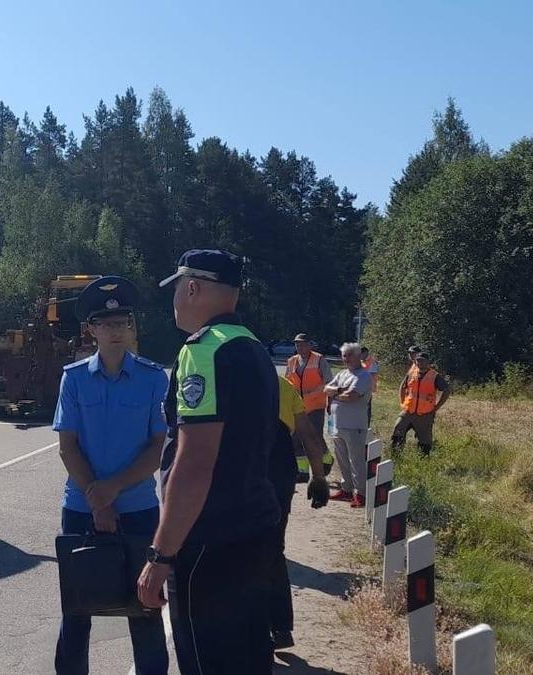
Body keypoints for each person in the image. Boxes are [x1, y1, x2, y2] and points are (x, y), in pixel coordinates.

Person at [138, 249, 279, 674]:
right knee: (249, 658)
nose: (175, 300)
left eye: (177, 289)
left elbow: (194, 461)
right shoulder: (252, 346)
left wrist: (160, 557)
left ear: (193, 286)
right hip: (255, 529)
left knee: (207, 662)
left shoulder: (202, 352)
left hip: (210, 542)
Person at [52, 276, 169, 675]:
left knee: (145, 606)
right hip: (81, 510)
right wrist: (94, 496)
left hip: (137, 511)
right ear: (92, 330)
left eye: (124, 322)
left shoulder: (154, 379)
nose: (117, 331)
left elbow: (158, 447)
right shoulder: (74, 378)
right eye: (107, 323)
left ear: (132, 327)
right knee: (77, 610)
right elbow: (68, 445)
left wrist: (110, 492)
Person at [270, 376, 330, 650]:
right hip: (280, 468)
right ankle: (281, 627)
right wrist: (318, 477)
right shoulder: (282, 384)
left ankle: (253, 629)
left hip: (247, 468)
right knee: (273, 550)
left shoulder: (225, 378)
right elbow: (307, 434)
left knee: (242, 550)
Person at [323, 343, 372, 507]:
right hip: (338, 424)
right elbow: (326, 388)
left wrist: (336, 393)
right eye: (344, 355)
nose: (346, 359)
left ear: (358, 356)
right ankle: (346, 490)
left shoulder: (364, 376)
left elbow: (352, 396)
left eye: (349, 355)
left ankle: (361, 494)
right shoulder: (343, 374)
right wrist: (339, 391)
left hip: (354, 426)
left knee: (356, 461)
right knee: (342, 460)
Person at [391, 352, 451, 456]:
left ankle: (423, 462)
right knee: (398, 430)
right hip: (408, 412)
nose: (419, 363)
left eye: (422, 360)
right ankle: (395, 456)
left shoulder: (434, 376)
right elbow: (402, 387)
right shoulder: (411, 374)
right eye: (418, 360)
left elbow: (446, 390)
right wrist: (402, 402)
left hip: (425, 415)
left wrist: (437, 407)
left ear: (428, 362)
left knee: (425, 441)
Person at [285, 333, 332, 458]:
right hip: (297, 407)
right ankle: (302, 469)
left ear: (309, 345)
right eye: (298, 345)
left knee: (315, 436)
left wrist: (330, 403)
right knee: (295, 437)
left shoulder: (319, 359)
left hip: (316, 406)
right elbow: (287, 383)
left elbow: (329, 383)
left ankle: (326, 460)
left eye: (303, 345)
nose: (300, 348)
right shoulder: (291, 361)